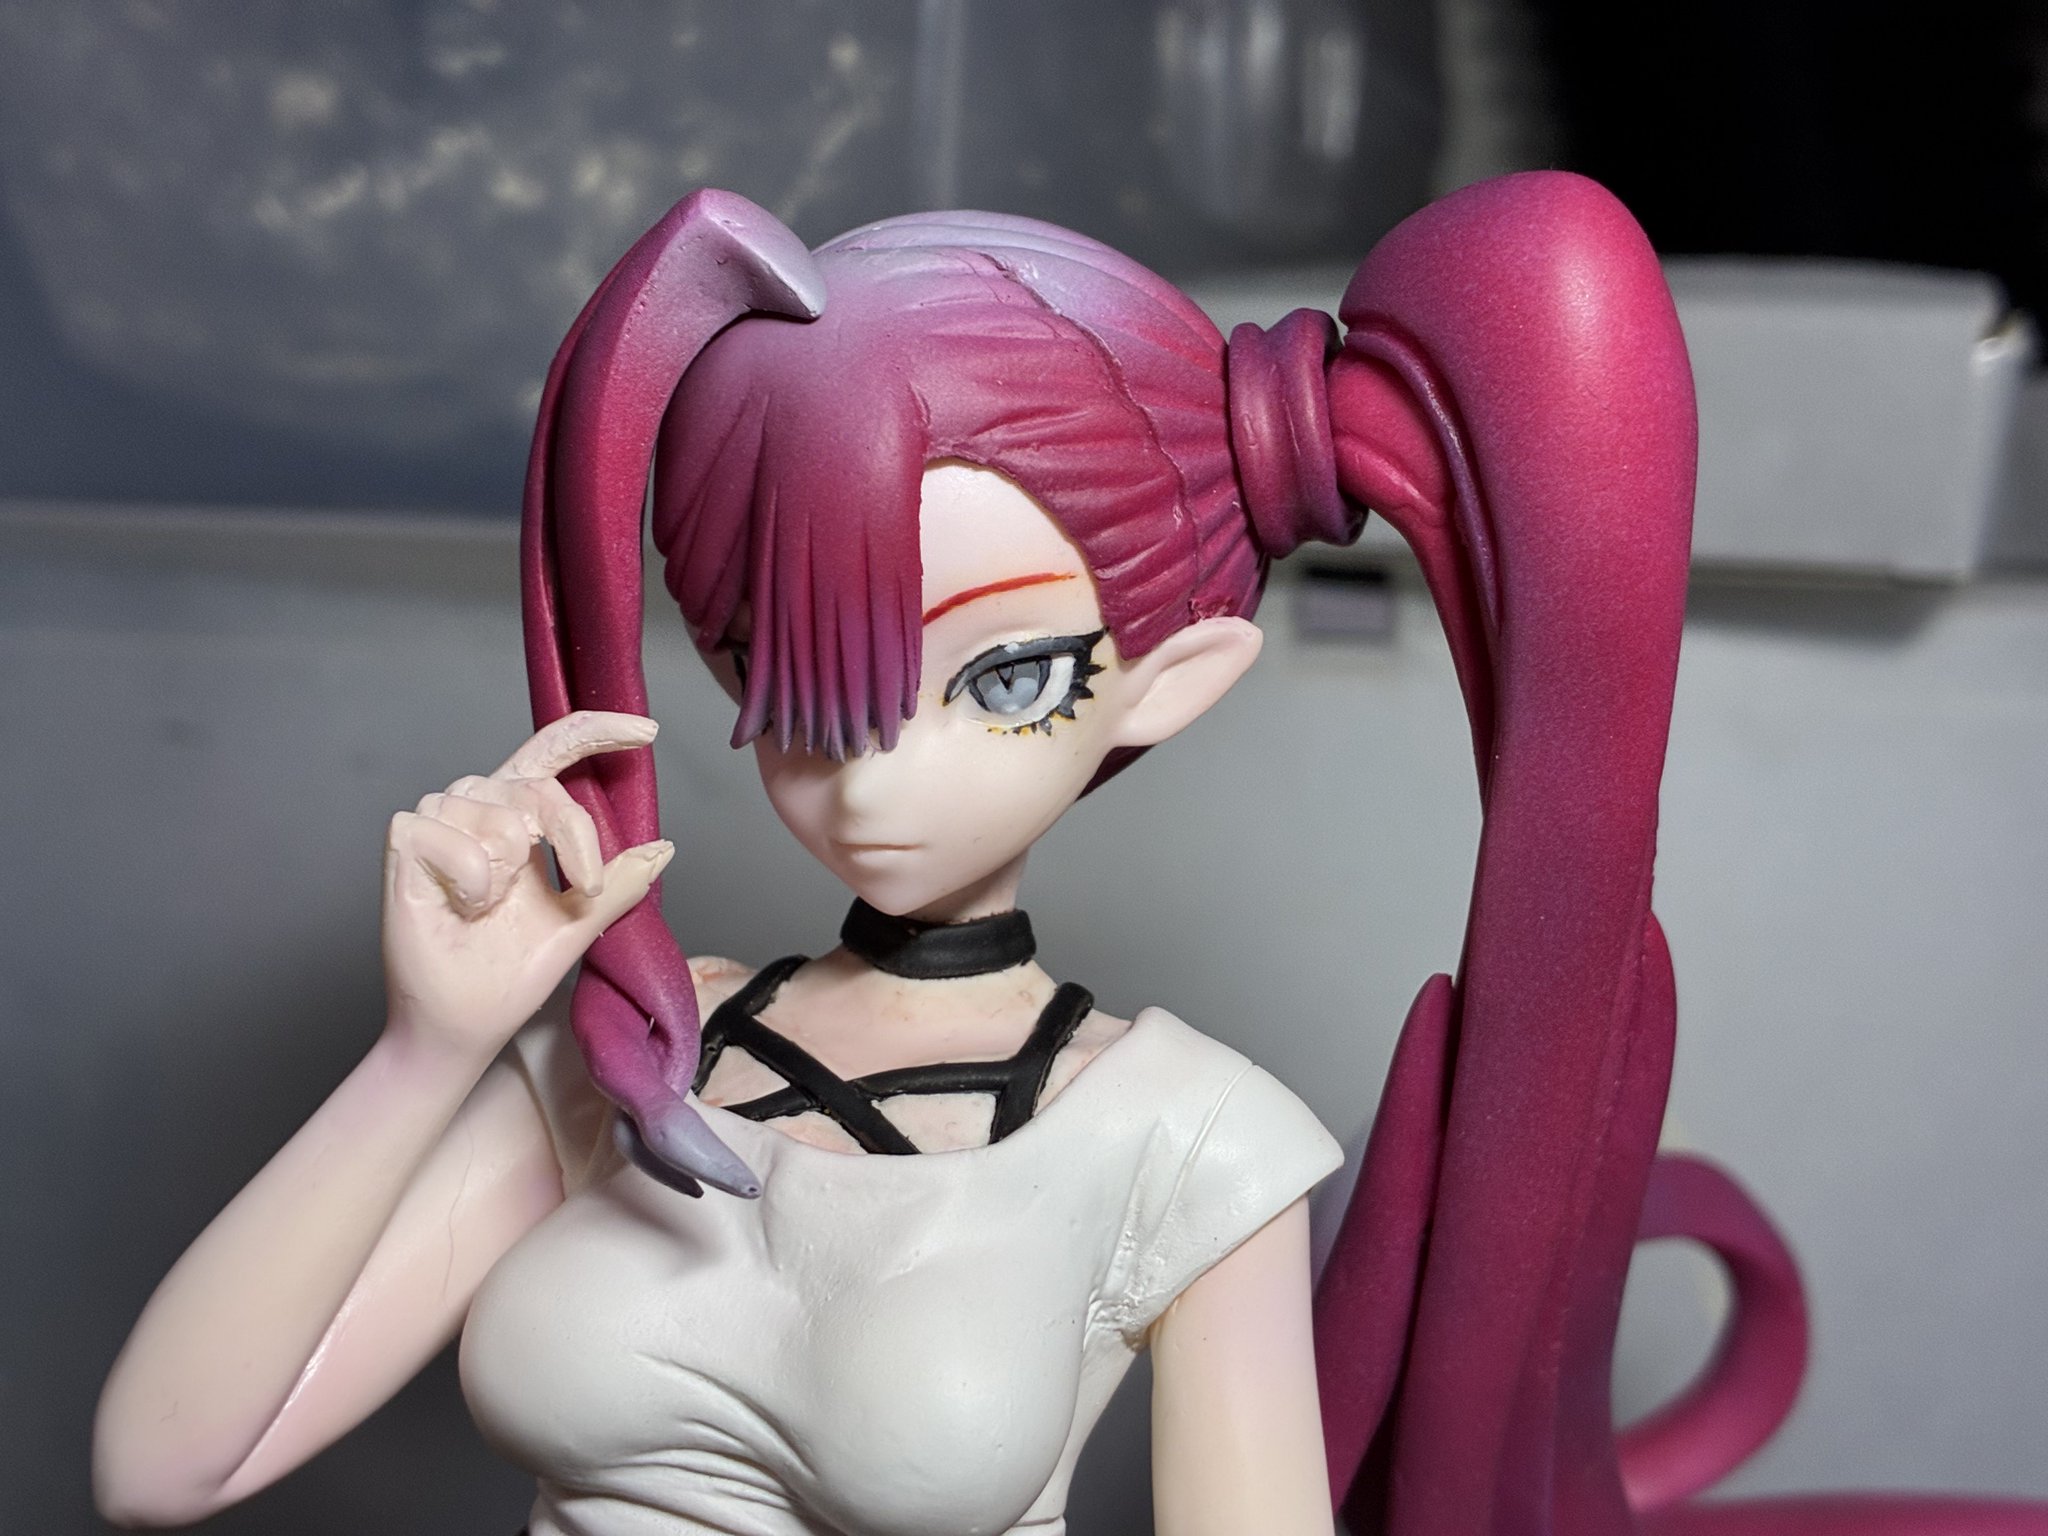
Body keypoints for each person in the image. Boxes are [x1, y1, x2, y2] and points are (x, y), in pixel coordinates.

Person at [105, 174, 1977, 1536]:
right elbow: (166, 1464)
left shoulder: (1185, 1140)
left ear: (1171, 680)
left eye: (997, 676)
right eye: (791, 669)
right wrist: (427, 1048)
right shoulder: (627, 1057)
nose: (868, 766)